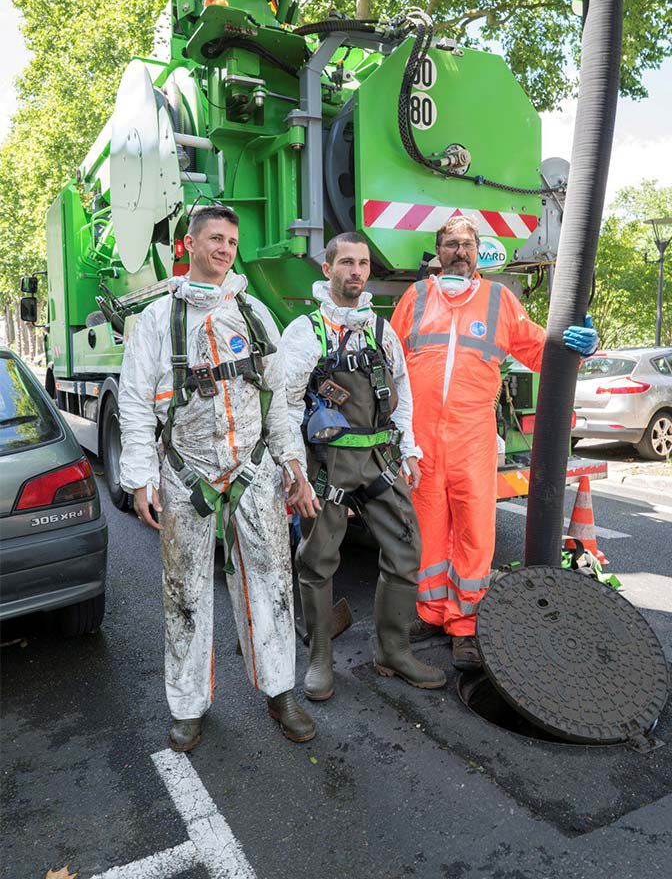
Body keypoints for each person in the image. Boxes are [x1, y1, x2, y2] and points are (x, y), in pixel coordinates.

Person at [118, 204, 317, 751]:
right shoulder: (159, 321)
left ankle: (280, 692)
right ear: (189, 244)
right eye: (214, 238)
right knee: (184, 592)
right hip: (187, 475)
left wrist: (292, 466)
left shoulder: (253, 313)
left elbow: (277, 403)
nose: (225, 248)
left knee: (274, 583)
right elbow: (135, 404)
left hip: (253, 471)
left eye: (231, 240)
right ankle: (187, 706)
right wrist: (141, 478)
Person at [391, 217, 599, 670]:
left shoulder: (498, 300)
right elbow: (392, 363)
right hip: (422, 439)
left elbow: (539, 351)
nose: (459, 252)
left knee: (474, 530)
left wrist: (576, 347)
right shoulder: (416, 298)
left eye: (467, 244)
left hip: (472, 437)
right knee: (427, 528)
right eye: (450, 244)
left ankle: (465, 624)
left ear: (477, 251)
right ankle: (430, 612)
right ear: (438, 251)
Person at [281, 233, 447, 701]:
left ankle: (393, 651)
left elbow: (402, 391)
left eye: (363, 264)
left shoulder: (380, 329)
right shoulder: (305, 332)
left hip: (377, 459)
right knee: (317, 560)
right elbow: (288, 407)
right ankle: (319, 657)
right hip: (328, 465)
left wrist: (409, 449)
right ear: (327, 269)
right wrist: (294, 470)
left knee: (405, 547)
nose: (357, 271)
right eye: (347, 263)